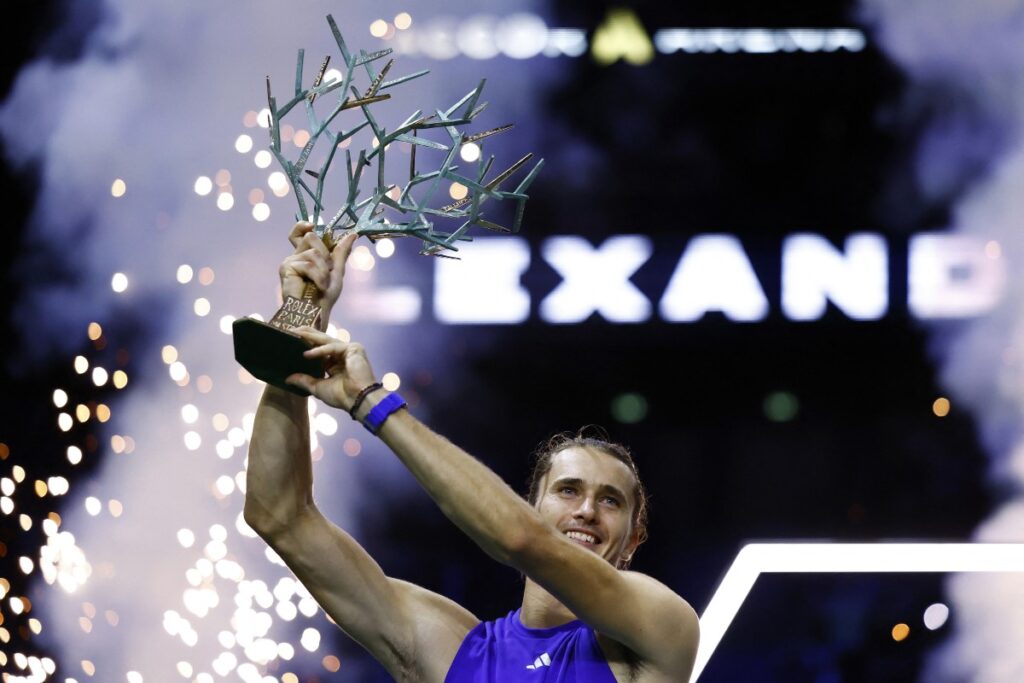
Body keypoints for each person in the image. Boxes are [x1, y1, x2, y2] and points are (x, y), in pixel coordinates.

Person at [244, 222, 700, 682]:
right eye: (567, 490)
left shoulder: (659, 631)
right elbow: (280, 517)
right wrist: (300, 325)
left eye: (610, 500)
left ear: (633, 542)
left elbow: (522, 541)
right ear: (533, 507)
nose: (586, 510)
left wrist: (372, 403)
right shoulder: (450, 647)